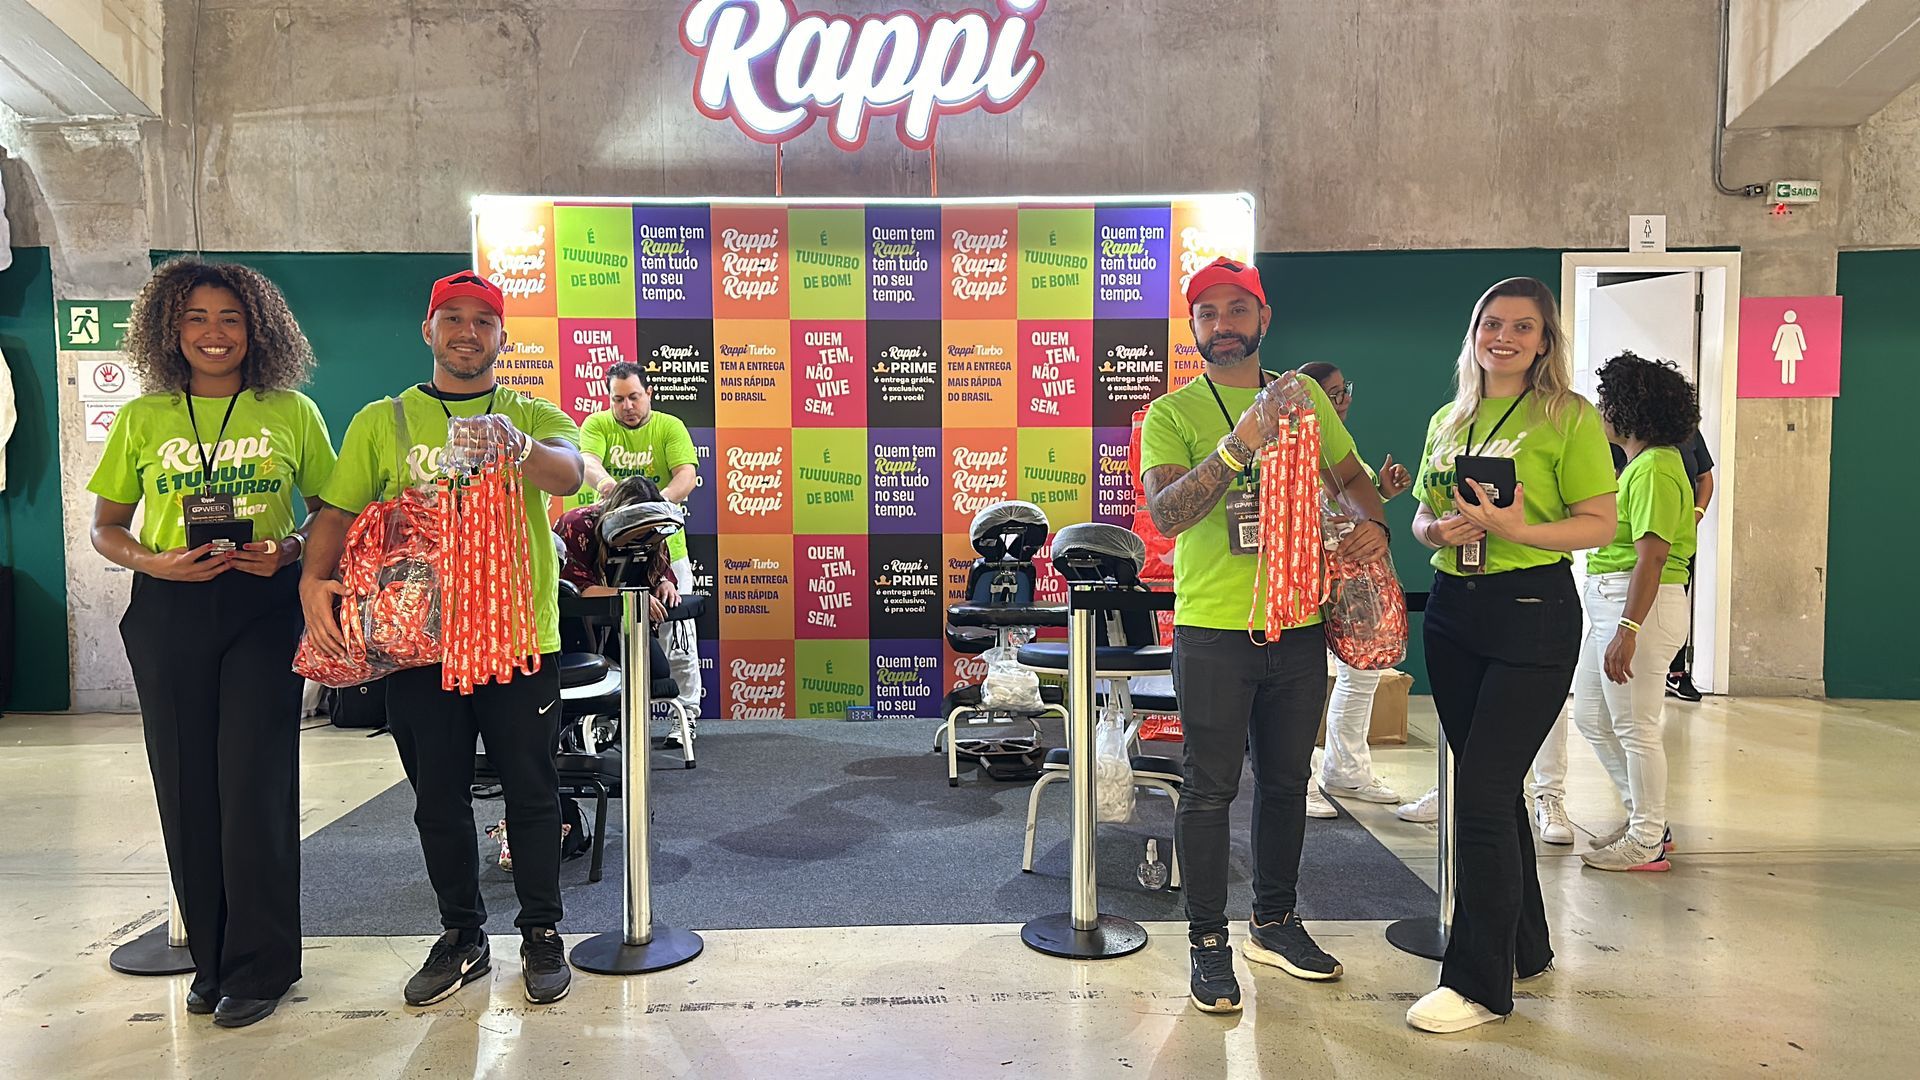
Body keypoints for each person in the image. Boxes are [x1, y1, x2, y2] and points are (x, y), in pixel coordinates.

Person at [298, 272, 584, 1008]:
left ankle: (542, 931)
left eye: (483, 321)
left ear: (503, 339)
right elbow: (337, 511)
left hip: (519, 639)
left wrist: (517, 444)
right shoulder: (382, 421)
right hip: (420, 643)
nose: (467, 332)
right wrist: (312, 580)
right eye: (452, 318)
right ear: (428, 330)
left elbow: (568, 474)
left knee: (533, 791)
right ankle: (462, 935)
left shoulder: (531, 412)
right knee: (436, 798)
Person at [87, 257, 337, 1028]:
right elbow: (106, 527)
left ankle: (264, 966)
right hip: (170, 606)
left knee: (254, 785)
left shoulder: (290, 410)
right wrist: (154, 562)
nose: (214, 332)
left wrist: (289, 550)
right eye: (196, 317)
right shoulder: (143, 418)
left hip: (261, 607)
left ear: (256, 329)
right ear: (171, 328)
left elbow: (330, 511)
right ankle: (213, 959)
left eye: (230, 317)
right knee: (187, 788)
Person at [1140, 257, 1392, 1014]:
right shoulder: (1172, 413)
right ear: (1193, 326)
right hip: (1214, 631)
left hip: (1299, 623)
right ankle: (1206, 940)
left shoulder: (1304, 398)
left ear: (1264, 318)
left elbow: (1352, 477)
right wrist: (1238, 443)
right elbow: (1168, 514)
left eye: (1237, 310)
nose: (1223, 325)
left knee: (1286, 784)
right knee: (1210, 787)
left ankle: (1275, 923)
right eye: (1208, 313)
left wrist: (1373, 524)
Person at [1404, 277, 1616, 1033]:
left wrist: (1518, 531)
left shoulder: (1569, 416)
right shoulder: (1450, 417)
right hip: (1453, 613)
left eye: (1523, 327)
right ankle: (1525, 945)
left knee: (1484, 792)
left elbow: (1599, 523)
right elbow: (1423, 513)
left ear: (1544, 340)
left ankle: (1478, 985)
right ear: (1474, 333)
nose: (1505, 337)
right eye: (1492, 324)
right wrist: (1437, 531)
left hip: (1532, 613)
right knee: (1489, 787)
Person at [1572, 352, 1699, 872]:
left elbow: (1653, 557)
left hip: (1639, 605)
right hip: (1615, 602)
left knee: (1636, 727)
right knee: (1591, 716)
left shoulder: (1654, 469)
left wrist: (1628, 629)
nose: (1601, 410)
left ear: (1629, 408)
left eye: (1607, 400)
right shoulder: (1642, 466)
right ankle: (1647, 820)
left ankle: (1647, 839)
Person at [1297, 362, 1409, 819]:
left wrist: (1380, 492)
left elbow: (1351, 504)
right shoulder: (1292, 439)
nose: (1342, 402)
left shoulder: (1347, 449)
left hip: (1356, 579)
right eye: (1331, 395)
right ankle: (1300, 779)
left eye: (1345, 392)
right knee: (1300, 681)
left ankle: (1347, 770)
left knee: (1361, 674)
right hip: (1306, 576)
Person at [566, 362, 702, 733]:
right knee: (605, 634)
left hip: (663, 547)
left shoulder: (669, 426)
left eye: (634, 397)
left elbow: (686, 476)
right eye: (618, 399)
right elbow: (588, 463)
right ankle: (608, 719)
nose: (627, 406)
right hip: (605, 551)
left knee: (678, 637)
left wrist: (647, 510)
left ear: (649, 394)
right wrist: (612, 491)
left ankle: (686, 717)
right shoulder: (596, 425)